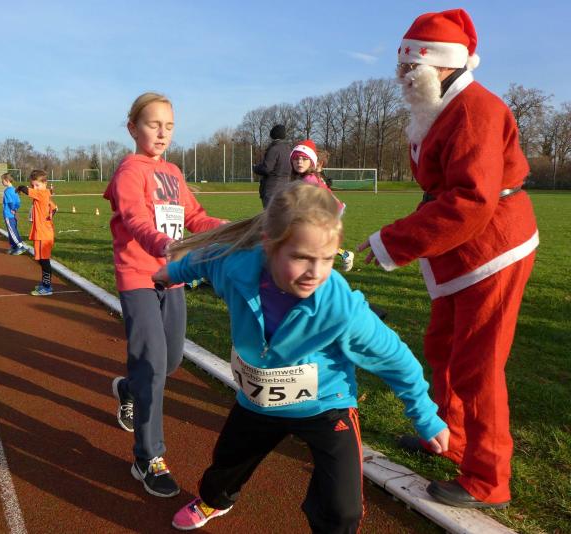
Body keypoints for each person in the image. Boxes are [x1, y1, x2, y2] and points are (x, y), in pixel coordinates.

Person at [152, 182, 449, 531]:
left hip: (325, 404)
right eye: (301, 257)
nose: (315, 273)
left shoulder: (341, 307)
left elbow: (395, 358)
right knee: (226, 465)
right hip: (258, 401)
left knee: (343, 510)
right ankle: (214, 501)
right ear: (269, 245)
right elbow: (203, 259)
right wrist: (171, 273)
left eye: (327, 259)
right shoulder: (235, 267)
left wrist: (426, 416)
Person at [357, 9, 538, 509]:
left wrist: (395, 240)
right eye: (401, 67)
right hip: (464, 247)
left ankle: (488, 477)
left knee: (479, 362)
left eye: (410, 67)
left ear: (442, 65)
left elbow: (471, 200)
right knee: (443, 346)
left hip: (492, 246)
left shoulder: (476, 110)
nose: (402, 77)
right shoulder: (441, 108)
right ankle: (450, 436)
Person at [103, 92, 225, 498]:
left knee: (170, 361)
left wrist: (229, 229)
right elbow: (136, 218)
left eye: (169, 126)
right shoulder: (129, 171)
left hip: (172, 277)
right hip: (138, 275)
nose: (162, 133)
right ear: (132, 128)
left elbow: (194, 216)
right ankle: (148, 457)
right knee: (153, 366)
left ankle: (128, 389)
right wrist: (163, 244)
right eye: (153, 124)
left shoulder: (173, 171)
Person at [289, 140, 354, 272]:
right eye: (296, 159)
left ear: (311, 162)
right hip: (323, 212)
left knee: (314, 243)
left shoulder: (309, 179)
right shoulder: (302, 177)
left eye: (304, 159)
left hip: (328, 212)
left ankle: (317, 267)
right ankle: (343, 255)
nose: (299, 162)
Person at [17, 169, 57, 296]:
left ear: (45, 184)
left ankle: (47, 286)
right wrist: (48, 216)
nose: (35, 188)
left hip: (43, 234)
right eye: (33, 185)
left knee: (44, 261)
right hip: (42, 232)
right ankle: (45, 283)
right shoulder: (45, 194)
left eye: (37, 185)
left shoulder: (41, 194)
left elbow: (27, 191)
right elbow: (55, 208)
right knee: (40, 259)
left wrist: (20, 187)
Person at [253, 124, 290, 208]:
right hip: (285, 188)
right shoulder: (288, 149)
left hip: (272, 188)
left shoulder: (274, 149)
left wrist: (255, 168)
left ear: (272, 134)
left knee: (270, 214)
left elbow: (267, 168)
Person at [0, 172, 27, 255]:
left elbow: (10, 202)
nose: (2, 182)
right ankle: (14, 246)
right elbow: (18, 202)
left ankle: (20, 246)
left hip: (8, 214)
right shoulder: (15, 190)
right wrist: (15, 209)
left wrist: (12, 209)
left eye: (2, 180)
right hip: (13, 214)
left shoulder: (7, 191)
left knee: (11, 231)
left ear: (7, 180)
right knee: (13, 230)